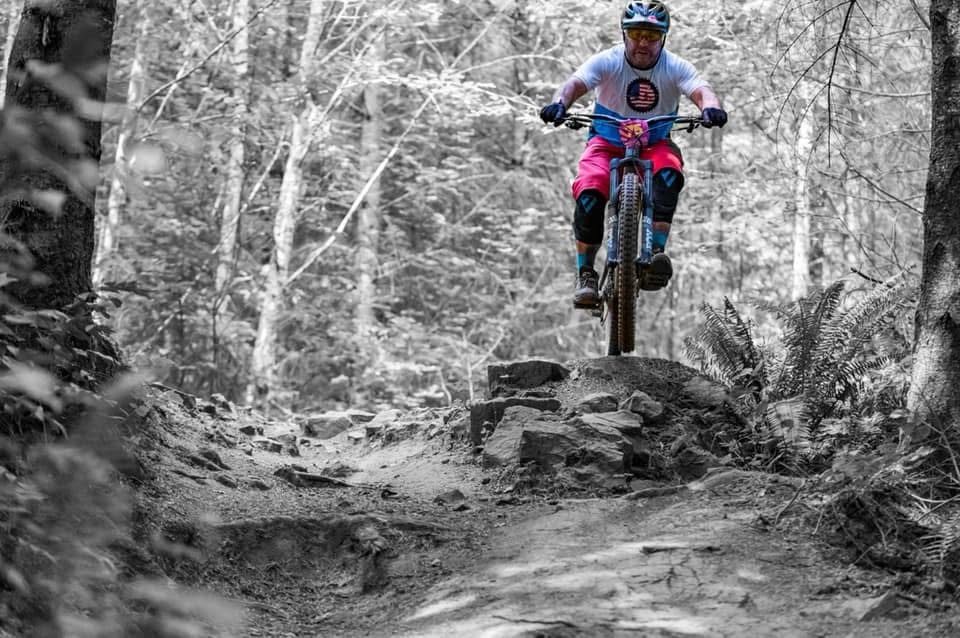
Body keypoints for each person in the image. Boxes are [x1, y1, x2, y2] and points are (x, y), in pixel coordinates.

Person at [540, 1, 727, 308]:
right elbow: (575, 83)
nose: (643, 42)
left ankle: (655, 255)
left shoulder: (674, 66)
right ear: (624, 34)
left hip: (655, 144)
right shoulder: (608, 61)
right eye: (636, 34)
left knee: (669, 173)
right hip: (606, 142)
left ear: (663, 38)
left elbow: (701, 90)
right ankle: (586, 274)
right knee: (589, 192)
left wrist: (711, 108)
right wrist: (560, 103)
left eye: (651, 36)